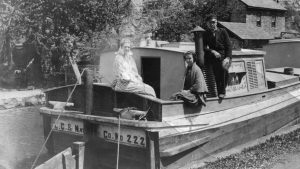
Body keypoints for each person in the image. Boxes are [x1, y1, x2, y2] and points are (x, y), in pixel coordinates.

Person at [203, 14, 232, 99]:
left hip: (224, 55)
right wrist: (212, 51)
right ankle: (221, 92)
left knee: (223, 71)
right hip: (214, 56)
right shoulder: (206, 33)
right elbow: (204, 47)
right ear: (207, 24)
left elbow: (228, 46)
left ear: (216, 22)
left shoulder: (223, 31)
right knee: (217, 74)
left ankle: (222, 92)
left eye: (214, 22)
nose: (212, 24)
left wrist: (228, 57)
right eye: (210, 23)